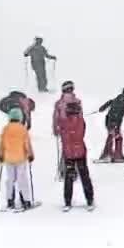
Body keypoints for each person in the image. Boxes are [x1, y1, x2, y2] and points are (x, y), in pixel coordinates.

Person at [54, 82, 94, 210]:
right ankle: (89, 199)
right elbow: (82, 130)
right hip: (80, 150)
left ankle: (67, 201)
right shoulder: (78, 105)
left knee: (69, 176)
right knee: (84, 174)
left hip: (68, 151)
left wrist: (57, 129)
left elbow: (57, 124)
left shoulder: (60, 106)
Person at [0, 103, 36, 211]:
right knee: (22, 179)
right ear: (20, 117)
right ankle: (26, 200)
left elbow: (2, 143)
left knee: (10, 180)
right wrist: (30, 154)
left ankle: (10, 200)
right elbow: (27, 143)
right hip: (20, 158)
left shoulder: (5, 129)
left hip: (8, 158)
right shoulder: (22, 129)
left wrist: (1, 155)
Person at [96, 86, 124, 163]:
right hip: (114, 122)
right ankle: (115, 155)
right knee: (117, 137)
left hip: (109, 121)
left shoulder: (116, 99)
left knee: (111, 136)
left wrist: (102, 108)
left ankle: (107, 154)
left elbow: (105, 106)